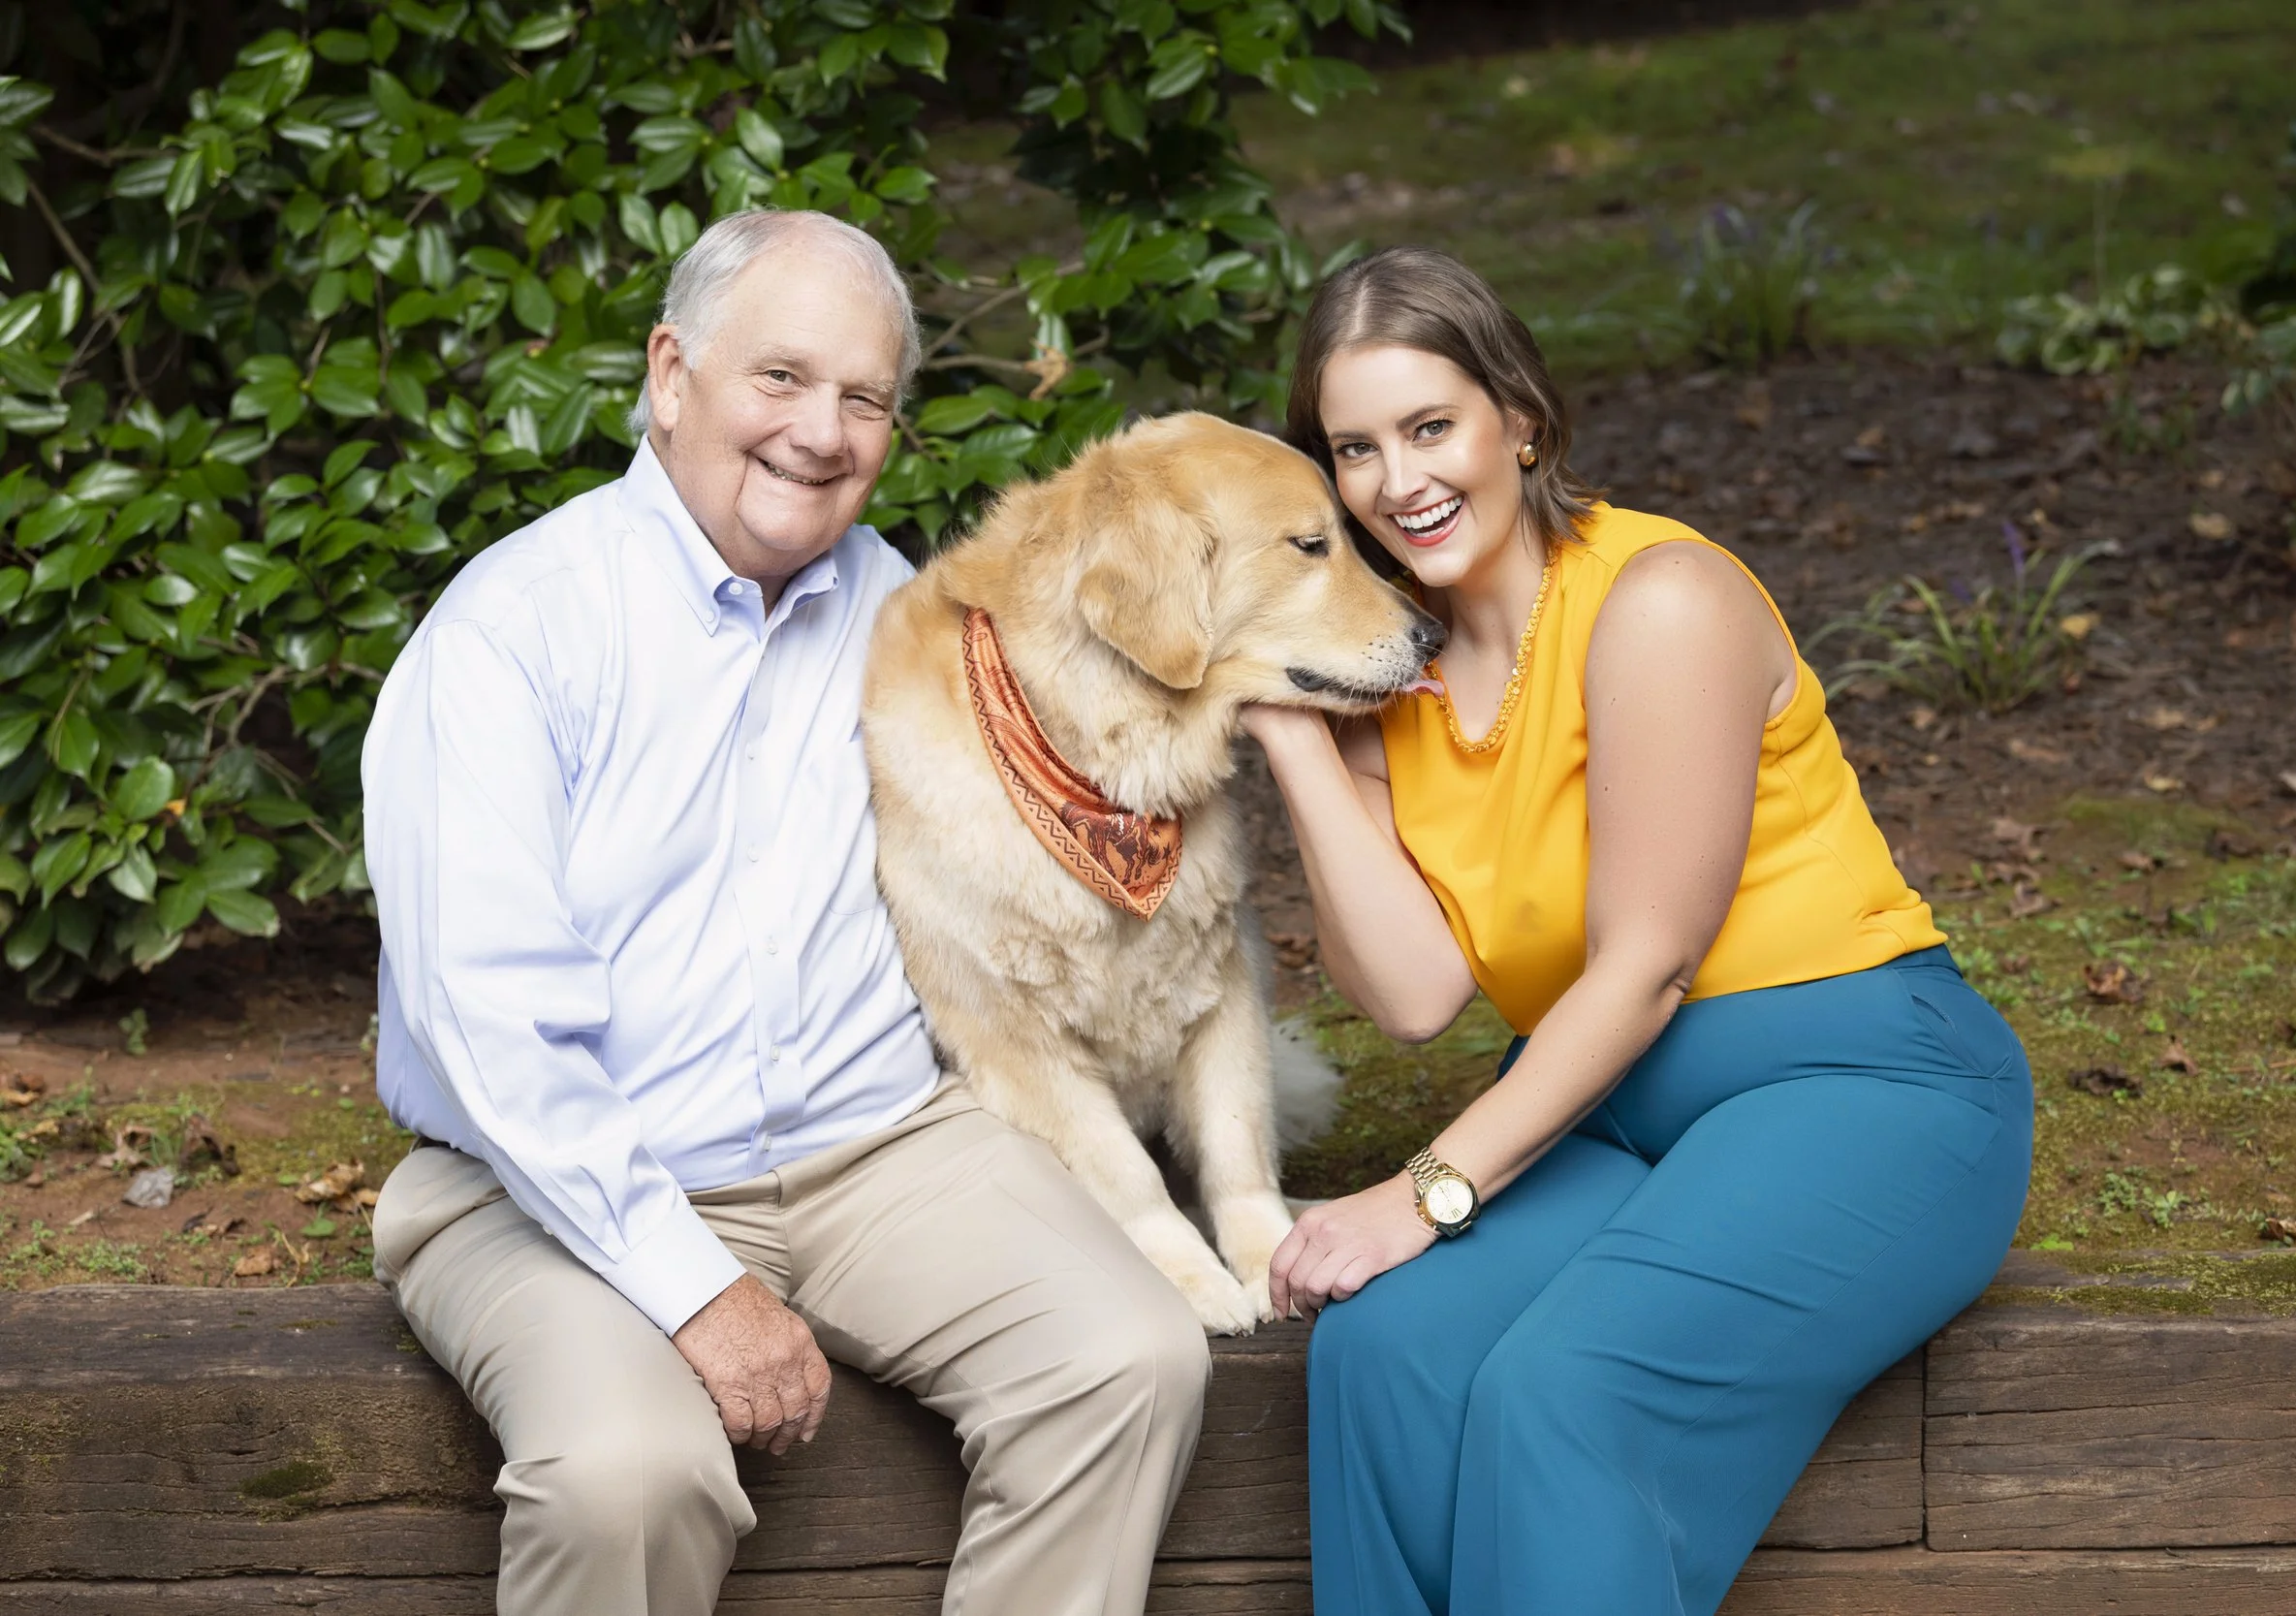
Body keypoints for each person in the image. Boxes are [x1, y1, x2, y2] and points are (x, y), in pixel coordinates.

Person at [362, 208, 1209, 1616]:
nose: (823, 431)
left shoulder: (900, 611)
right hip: (549, 1178)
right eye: (781, 378)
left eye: (865, 398)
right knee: (628, 1469)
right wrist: (695, 1287)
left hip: (873, 1146)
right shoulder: (512, 633)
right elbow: (492, 1029)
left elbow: (1065, 839)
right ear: (670, 374)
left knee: (1127, 1358)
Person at [1245, 246, 2032, 1616]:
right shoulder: (1394, 674)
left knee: (1568, 1390)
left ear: (1520, 418)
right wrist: (1292, 732)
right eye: (1355, 447)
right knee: (1385, 1351)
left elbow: (1651, 962)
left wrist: (1425, 1189)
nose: (1400, 479)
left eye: (1431, 426)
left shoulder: (1659, 596)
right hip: (1610, 1110)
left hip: (1861, 1086)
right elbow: (1419, 992)